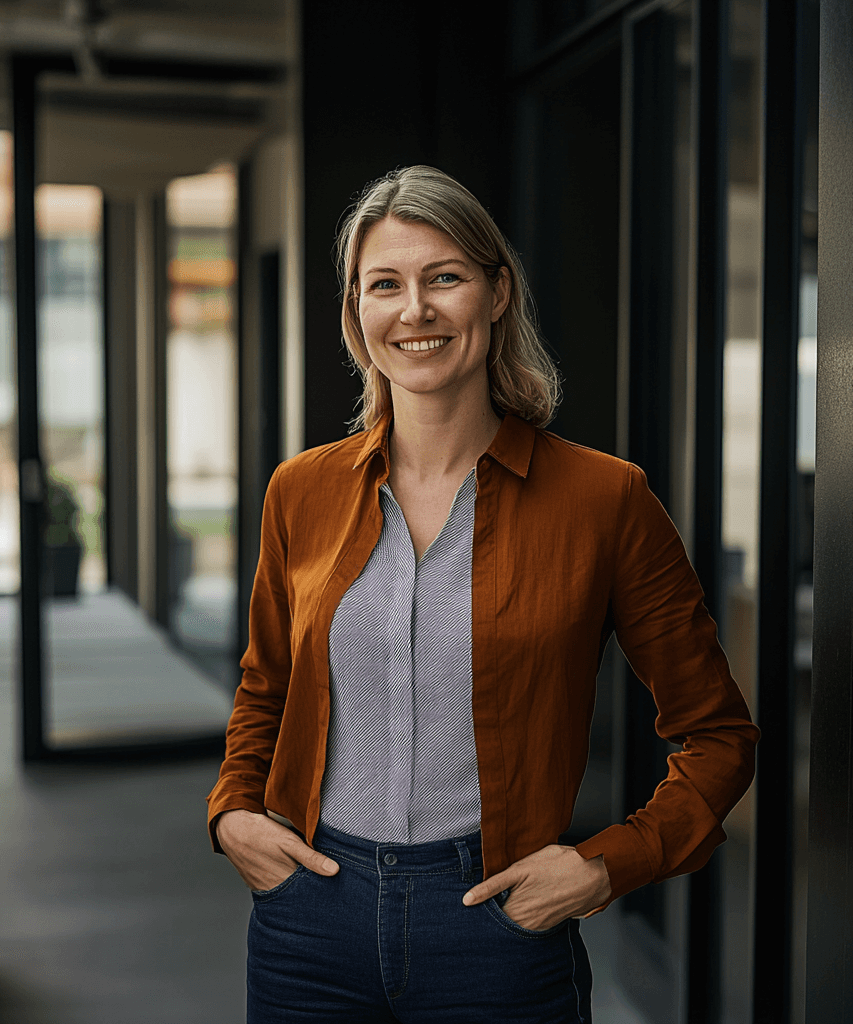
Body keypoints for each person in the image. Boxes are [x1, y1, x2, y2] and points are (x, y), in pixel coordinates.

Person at [207, 165, 759, 1023]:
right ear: (356, 312)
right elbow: (266, 685)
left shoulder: (603, 499)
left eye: (445, 278)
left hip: (496, 925)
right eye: (384, 284)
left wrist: (607, 865)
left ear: (497, 294)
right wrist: (234, 812)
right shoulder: (302, 491)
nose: (414, 310)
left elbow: (719, 735)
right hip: (309, 921)